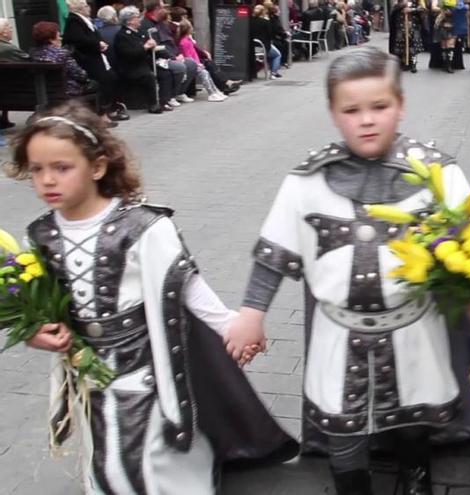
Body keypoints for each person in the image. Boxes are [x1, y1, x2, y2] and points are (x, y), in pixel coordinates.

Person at [7, 101, 299, 494]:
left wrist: (232, 325)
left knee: (149, 458)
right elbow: (37, 305)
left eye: (62, 168)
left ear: (97, 166)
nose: (47, 181)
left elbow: (185, 286)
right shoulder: (39, 235)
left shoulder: (140, 227)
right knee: (106, 451)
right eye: (37, 169)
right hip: (88, 377)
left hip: (146, 373)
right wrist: (37, 332)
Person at [223, 46, 470, 495]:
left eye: (379, 106)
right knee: (344, 427)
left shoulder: (437, 172)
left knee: (416, 418)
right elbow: (274, 251)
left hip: (413, 328)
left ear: (400, 105)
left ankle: (417, 483)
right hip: (339, 334)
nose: (367, 119)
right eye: (352, 110)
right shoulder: (307, 180)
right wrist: (251, 313)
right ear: (334, 114)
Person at [63, 0, 128, 121]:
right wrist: (97, 44)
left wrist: (100, 43)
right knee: (105, 81)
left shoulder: (83, 20)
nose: (89, 7)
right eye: (87, 5)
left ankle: (110, 110)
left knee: (112, 78)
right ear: (81, 8)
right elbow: (79, 40)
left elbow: (91, 36)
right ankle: (103, 114)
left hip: (95, 57)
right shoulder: (74, 20)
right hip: (88, 60)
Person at [140, 0, 198, 106]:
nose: (166, 10)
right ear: (157, 9)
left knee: (192, 64)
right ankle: (170, 96)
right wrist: (173, 57)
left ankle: (179, 92)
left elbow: (170, 42)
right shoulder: (146, 25)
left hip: (171, 55)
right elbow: (157, 46)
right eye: (163, 8)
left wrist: (178, 54)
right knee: (179, 67)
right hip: (156, 58)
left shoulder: (162, 24)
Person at [114, 6, 166, 114]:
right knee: (149, 76)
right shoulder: (122, 35)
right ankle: (153, 104)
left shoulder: (139, 32)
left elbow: (146, 45)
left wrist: (151, 45)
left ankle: (165, 100)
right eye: (136, 17)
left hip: (143, 64)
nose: (139, 20)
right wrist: (145, 47)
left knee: (165, 71)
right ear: (129, 21)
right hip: (130, 67)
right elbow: (128, 54)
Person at [29, 22, 96, 101]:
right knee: (95, 84)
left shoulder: (33, 53)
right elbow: (81, 76)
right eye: (58, 36)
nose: (61, 38)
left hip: (42, 94)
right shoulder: (62, 53)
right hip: (67, 92)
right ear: (51, 40)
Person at [176, 20, 227, 101]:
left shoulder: (188, 40)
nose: (192, 29)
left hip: (195, 63)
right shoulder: (184, 42)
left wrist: (198, 63)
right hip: (191, 64)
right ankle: (212, 93)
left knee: (206, 73)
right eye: (191, 27)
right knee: (205, 73)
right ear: (188, 29)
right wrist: (197, 64)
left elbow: (194, 54)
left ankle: (215, 91)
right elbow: (188, 56)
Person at [389, 0, 426, 72]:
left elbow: (423, 9)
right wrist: (401, 6)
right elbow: (393, 9)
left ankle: (413, 64)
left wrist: (412, 10)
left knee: (413, 45)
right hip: (401, 25)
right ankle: (403, 63)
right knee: (401, 45)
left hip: (413, 25)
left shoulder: (418, 1)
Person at [251, 4, 283, 79]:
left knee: (271, 54)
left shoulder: (250, 21)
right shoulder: (265, 22)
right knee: (277, 55)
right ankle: (273, 73)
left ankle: (272, 71)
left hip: (252, 46)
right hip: (263, 46)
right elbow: (270, 34)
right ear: (263, 12)